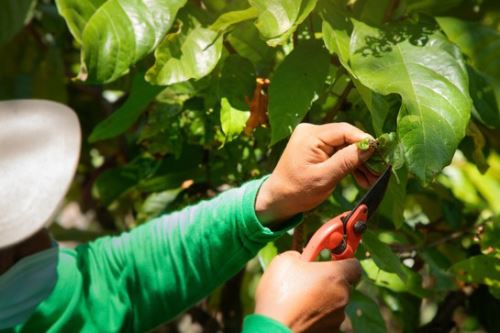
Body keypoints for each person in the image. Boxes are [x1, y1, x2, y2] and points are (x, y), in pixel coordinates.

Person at [0, 100, 377, 333]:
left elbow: (116, 282)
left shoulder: (30, 298)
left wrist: (272, 197)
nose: (39, 243)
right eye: (14, 238)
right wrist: (277, 326)